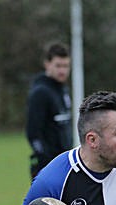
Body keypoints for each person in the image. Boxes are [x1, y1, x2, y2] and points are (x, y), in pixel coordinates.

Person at [25, 42, 73, 181]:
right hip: (47, 167)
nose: (62, 71)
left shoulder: (63, 90)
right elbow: (33, 133)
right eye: (58, 66)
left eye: (66, 66)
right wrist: (46, 160)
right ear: (47, 64)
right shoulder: (40, 93)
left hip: (64, 164)